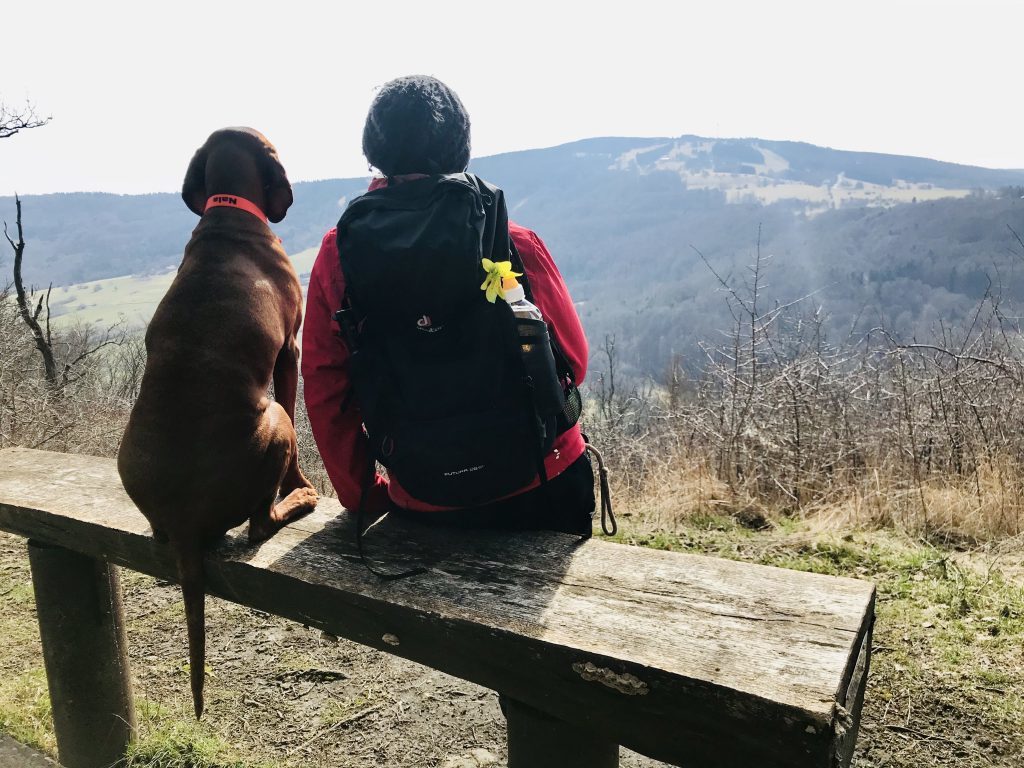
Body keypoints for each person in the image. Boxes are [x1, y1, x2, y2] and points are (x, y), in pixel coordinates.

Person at [301, 75, 594, 535]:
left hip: (423, 495)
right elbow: (572, 363)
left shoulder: (339, 255)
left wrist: (366, 492)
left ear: (373, 152)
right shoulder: (511, 240)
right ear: (462, 146)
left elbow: (325, 388)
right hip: (544, 480)